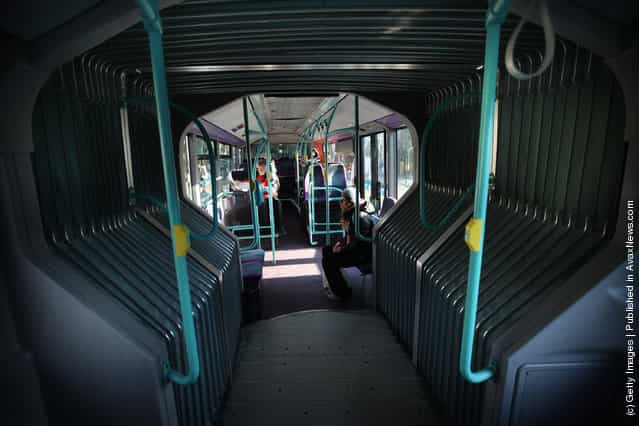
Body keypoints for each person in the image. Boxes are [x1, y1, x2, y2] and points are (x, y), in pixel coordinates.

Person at [321, 188, 373, 300]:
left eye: (343, 200)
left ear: (349, 203)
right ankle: (338, 283)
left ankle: (342, 293)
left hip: (363, 254)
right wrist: (340, 245)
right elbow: (351, 237)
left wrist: (342, 250)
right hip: (359, 248)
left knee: (328, 261)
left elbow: (359, 243)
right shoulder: (352, 214)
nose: (340, 202)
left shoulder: (358, 218)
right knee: (327, 250)